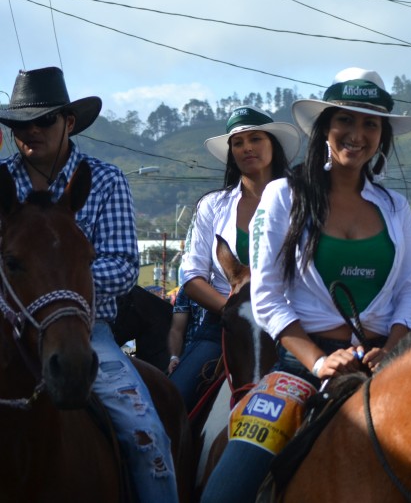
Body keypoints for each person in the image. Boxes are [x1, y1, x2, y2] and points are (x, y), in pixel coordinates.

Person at [201, 67, 411, 503]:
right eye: (344, 119)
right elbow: (265, 297)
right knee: (225, 492)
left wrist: (393, 348)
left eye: (369, 123)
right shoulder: (284, 195)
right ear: (325, 127)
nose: (356, 133)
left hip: (389, 362)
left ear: (382, 136)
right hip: (301, 368)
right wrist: (321, 363)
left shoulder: (396, 207)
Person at [0, 67, 178, 502]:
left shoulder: (105, 180)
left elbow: (121, 266)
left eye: (45, 121)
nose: (31, 131)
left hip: (87, 331)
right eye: (21, 124)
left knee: (147, 439)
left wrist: (52, 282)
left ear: (69, 122)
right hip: (7, 332)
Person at [172, 105, 302, 411]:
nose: (247, 148)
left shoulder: (303, 202)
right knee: (172, 402)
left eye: (256, 139)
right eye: (238, 143)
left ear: (274, 145)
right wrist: (236, 313)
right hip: (222, 328)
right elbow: (191, 276)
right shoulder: (212, 205)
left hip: (290, 325)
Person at [167, 288, 206, 375]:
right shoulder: (187, 289)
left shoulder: (236, 284)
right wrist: (174, 357)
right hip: (193, 353)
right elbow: (177, 329)